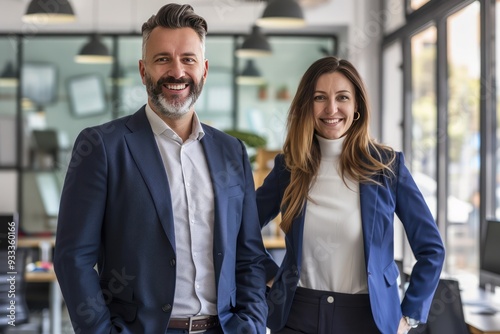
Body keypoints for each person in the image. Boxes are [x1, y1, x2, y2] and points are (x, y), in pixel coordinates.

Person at [53, 4, 268, 334]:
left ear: (205, 70)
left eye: (188, 59)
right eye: (163, 59)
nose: (177, 71)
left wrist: (252, 322)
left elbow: (249, 255)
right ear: (143, 71)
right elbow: (74, 258)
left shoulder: (231, 151)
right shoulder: (103, 146)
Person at [257, 56, 445, 334]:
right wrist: (272, 276)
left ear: (357, 105)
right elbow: (240, 231)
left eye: (342, 97)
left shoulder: (386, 166)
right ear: (307, 106)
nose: (331, 108)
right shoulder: (290, 166)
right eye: (319, 97)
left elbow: (432, 249)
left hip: (369, 318)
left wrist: (410, 315)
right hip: (297, 316)